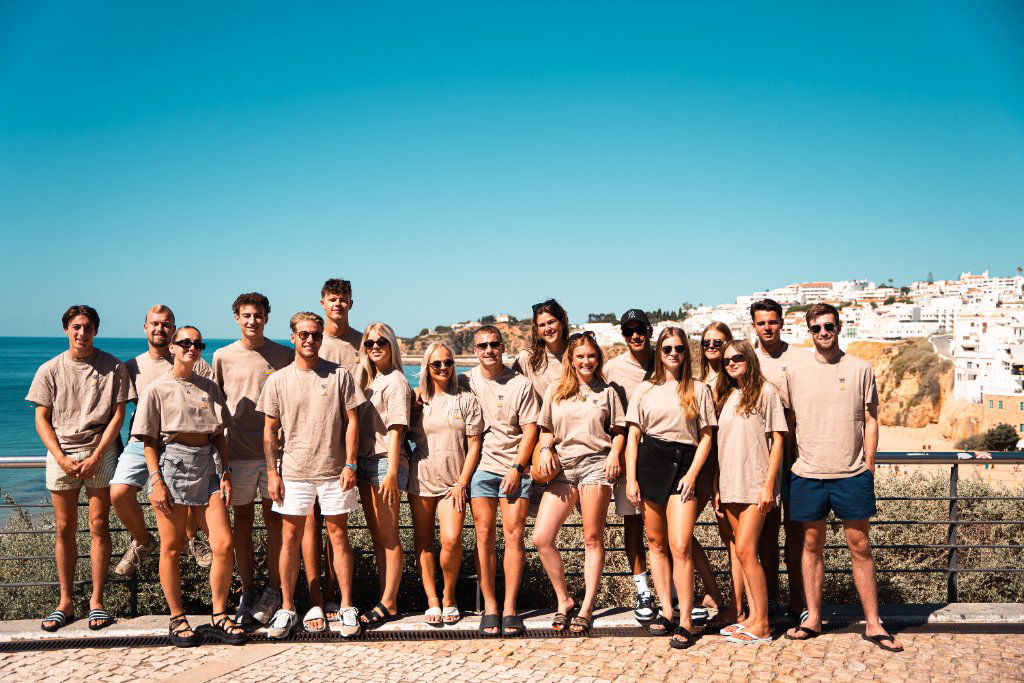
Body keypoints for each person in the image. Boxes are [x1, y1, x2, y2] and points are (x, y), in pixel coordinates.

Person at [783, 303, 903, 652]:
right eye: (817, 327)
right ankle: (814, 618)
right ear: (809, 331)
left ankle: (874, 623)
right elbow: (787, 422)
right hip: (807, 472)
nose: (823, 332)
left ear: (839, 328)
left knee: (860, 546)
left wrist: (870, 465)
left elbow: (871, 419)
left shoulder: (860, 368)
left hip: (852, 474)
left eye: (829, 326)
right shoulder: (796, 370)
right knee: (810, 547)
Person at [134, 326, 245, 647]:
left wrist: (226, 472)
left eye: (197, 344)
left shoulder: (209, 387)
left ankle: (219, 614)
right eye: (185, 343)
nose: (192, 348)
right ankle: (177, 616)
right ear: (172, 347)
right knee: (171, 547)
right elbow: (149, 442)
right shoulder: (157, 389)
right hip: (173, 467)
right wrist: (156, 481)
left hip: (208, 467)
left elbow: (219, 435)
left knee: (223, 545)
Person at [258, 312, 365, 639]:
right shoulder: (277, 380)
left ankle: (347, 605)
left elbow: (353, 422)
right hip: (293, 472)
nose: (309, 339)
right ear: (293, 337)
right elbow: (269, 432)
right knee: (289, 539)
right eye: (303, 334)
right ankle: (288, 607)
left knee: (339, 537)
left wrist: (350, 464)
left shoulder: (339, 375)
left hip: (335, 472)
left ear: (321, 338)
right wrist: (272, 474)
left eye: (315, 335)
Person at [26, 305, 130, 632]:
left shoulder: (113, 366)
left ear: (95, 330)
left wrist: (98, 454)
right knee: (64, 528)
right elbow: (41, 418)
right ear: (66, 329)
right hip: (62, 454)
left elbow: (118, 416)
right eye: (76, 327)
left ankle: (97, 602)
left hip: (100, 451)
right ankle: (65, 602)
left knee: (99, 524)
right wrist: (59, 457)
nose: (81, 333)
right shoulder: (50, 369)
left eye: (87, 327)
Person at [624, 326, 716, 649]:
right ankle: (666, 611)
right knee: (656, 543)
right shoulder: (644, 390)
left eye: (679, 349)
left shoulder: (699, 390)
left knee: (680, 545)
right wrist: (632, 478)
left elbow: (706, 437)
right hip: (650, 465)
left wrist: (692, 475)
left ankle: (687, 620)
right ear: (659, 352)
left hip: (683, 466)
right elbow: (633, 437)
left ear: (685, 352)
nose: (674, 354)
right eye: (667, 349)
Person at [112, 305, 215, 578]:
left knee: (191, 494)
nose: (160, 328)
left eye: (166, 324)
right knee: (119, 492)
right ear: (145, 327)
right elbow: (122, 410)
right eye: (155, 323)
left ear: (173, 328)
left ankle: (192, 540)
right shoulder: (131, 367)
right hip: (142, 439)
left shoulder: (196, 361)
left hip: (183, 443)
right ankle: (143, 540)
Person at [534, 332, 625, 636]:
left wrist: (614, 453)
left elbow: (619, 430)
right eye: (580, 356)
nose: (586, 361)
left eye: (591, 356)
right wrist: (545, 449)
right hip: (562, 468)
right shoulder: (555, 390)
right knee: (541, 538)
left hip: (595, 466)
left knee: (592, 538)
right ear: (570, 361)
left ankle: (586, 607)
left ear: (597, 358)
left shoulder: (608, 392)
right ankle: (565, 599)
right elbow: (545, 430)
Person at [212, 293, 294, 628]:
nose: (252, 321)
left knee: (276, 523)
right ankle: (248, 590)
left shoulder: (284, 355)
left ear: (266, 318)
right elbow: (214, 405)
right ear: (236, 318)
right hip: (238, 453)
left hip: (275, 455)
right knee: (241, 524)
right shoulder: (222, 356)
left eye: (258, 315)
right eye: (246, 315)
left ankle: (274, 590)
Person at [459, 325, 539, 637]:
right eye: (482, 346)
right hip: (480, 470)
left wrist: (518, 468)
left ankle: (510, 609)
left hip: (514, 470)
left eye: (494, 344)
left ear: (502, 346)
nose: (489, 350)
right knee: (483, 538)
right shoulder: (465, 380)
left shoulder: (520, 384)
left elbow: (530, 429)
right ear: (475, 349)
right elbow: (436, 388)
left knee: (515, 537)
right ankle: (490, 607)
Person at [711, 339, 786, 643]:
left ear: (750, 358)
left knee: (744, 550)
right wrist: (717, 485)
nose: (731, 363)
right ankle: (753, 618)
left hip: (756, 485)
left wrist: (769, 485)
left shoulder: (766, 392)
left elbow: (778, 440)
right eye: (727, 360)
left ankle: (764, 625)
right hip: (730, 485)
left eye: (737, 357)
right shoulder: (729, 395)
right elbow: (723, 444)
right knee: (743, 553)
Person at [407, 342, 483, 625]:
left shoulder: (465, 399)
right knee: (424, 542)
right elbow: (397, 432)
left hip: (454, 483)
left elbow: (474, 444)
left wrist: (462, 482)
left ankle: (449, 596)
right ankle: (432, 601)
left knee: (451, 540)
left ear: (454, 366)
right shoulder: (417, 401)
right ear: (427, 367)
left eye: (448, 363)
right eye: (436, 364)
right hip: (421, 479)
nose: (442, 368)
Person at [305, 277, 363, 622]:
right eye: (331, 299)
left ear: (350, 303)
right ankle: (315, 598)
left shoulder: (363, 342)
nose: (337, 304)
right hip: (314, 449)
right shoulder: (313, 341)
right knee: (310, 526)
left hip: (355, 450)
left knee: (338, 529)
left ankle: (341, 600)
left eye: (343, 299)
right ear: (323, 303)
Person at [750, 298, 808, 622]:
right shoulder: (748, 359)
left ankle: (798, 603)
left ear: (781, 322)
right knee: (767, 534)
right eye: (762, 323)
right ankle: (769, 600)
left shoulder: (799, 357)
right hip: (764, 457)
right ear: (754, 326)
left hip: (798, 457)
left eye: (772, 322)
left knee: (796, 533)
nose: (768, 327)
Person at [354, 322, 412, 627]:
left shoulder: (396, 382)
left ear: (391, 345)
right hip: (366, 463)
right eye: (369, 343)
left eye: (382, 342)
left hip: (384, 464)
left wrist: (391, 472)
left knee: (389, 537)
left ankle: (389, 602)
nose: (375, 346)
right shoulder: (369, 381)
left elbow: (395, 431)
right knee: (378, 537)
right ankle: (384, 597)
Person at [603, 309, 655, 623]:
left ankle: (675, 591)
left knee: (668, 529)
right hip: (627, 461)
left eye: (640, 330)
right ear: (623, 335)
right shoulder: (612, 369)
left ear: (650, 331)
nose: (635, 336)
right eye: (628, 331)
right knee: (633, 526)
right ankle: (643, 591)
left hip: (665, 459)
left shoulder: (664, 360)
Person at [694, 322, 734, 626]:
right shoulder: (695, 378)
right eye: (706, 342)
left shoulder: (733, 376)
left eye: (717, 342)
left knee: (730, 537)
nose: (711, 346)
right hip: (698, 466)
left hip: (727, 466)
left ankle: (737, 605)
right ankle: (713, 592)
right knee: (675, 534)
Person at [513, 299, 569, 516]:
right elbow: (506, 382)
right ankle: (537, 486)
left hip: (573, 433)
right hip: (543, 434)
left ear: (562, 322)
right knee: (544, 471)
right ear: (536, 329)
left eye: (552, 322)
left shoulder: (576, 354)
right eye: (542, 324)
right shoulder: (528, 359)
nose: (548, 328)